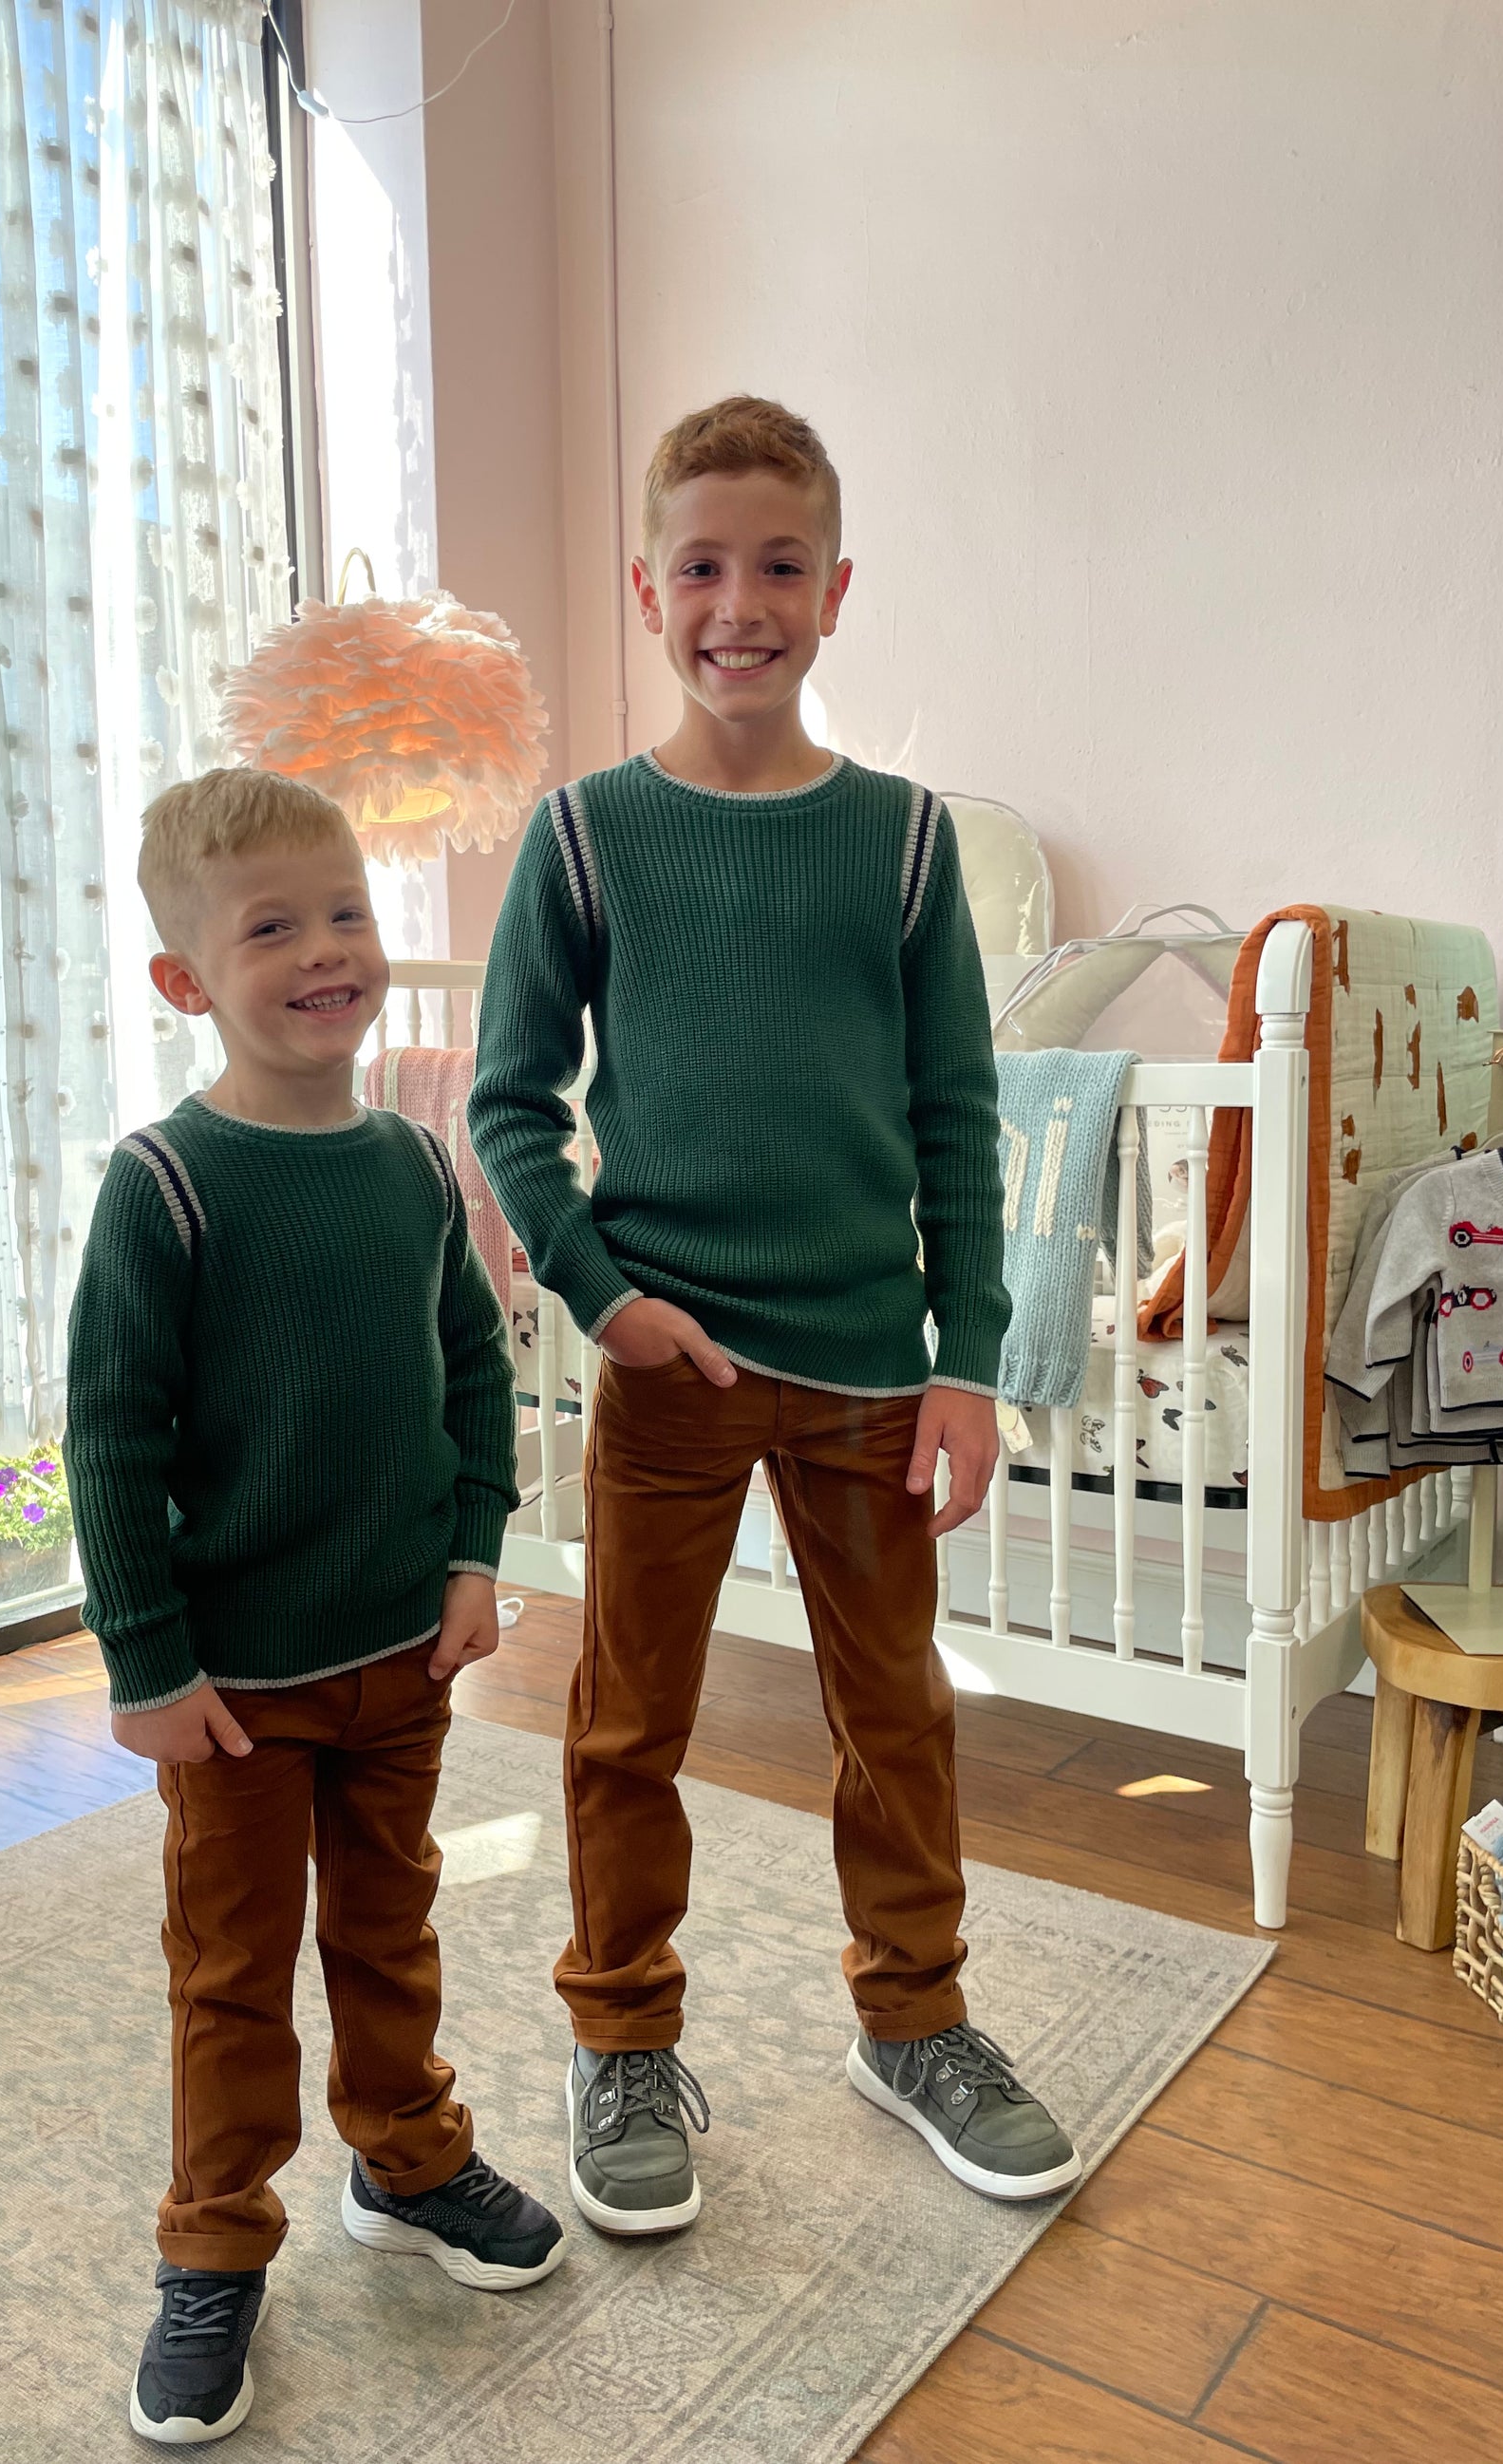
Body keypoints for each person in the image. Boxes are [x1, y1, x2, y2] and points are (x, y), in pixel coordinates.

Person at [469, 395, 1080, 2241]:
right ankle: (622, 2034)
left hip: (867, 1372)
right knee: (625, 1714)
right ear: (649, 585)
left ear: (835, 590)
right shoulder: (582, 836)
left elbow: (960, 1116)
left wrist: (968, 1354)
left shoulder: (900, 846)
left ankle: (914, 2018)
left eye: (781, 566)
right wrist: (603, 1295)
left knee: (894, 1710)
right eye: (706, 566)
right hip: (671, 1365)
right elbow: (508, 1100)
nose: (742, 602)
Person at [66, 769, 562, 2448]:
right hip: (235, 1688)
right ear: (186, 981)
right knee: (231, 1967)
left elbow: (473, 1375)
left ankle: (406, 2156)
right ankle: (213, 2247)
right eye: (270, 925)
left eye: (344, 911)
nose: (324, 949)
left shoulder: (418, 1172)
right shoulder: (165, 1188)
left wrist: (477, 1554)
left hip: (402, 1659)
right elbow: (112, 1439)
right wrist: (144, 1665)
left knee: (388, 1922)